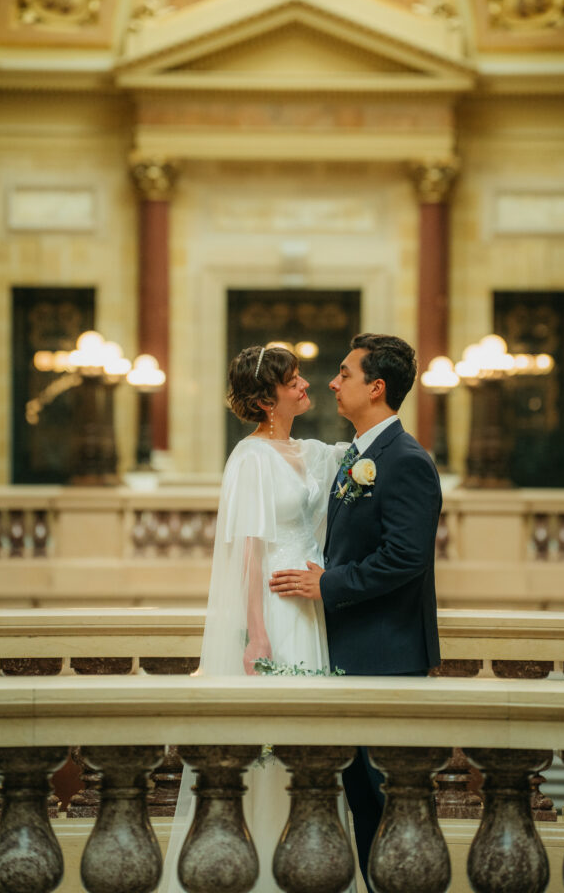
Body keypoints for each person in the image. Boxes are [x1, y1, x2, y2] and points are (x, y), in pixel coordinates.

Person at [161, 343, 354, 893]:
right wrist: (257, 633)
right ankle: (260, 869)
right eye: (293, 380)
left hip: (311, 606)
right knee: (269, 743)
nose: (305, 386)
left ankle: (311, 865)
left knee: (311, 744)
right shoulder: (250, 459)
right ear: (269, 398)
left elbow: (355, 457)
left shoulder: (309, 451)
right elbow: (248, 550)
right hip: (274, 605)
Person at [269, 333, 442, 893]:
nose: (332, 382)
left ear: (377, 387)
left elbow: (407, 558)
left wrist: (329, 584)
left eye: (344, 373)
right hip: (352, 655)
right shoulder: (357, 456)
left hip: (388, 658)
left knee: (394, 808)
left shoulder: (406, 460)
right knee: (364, 805)